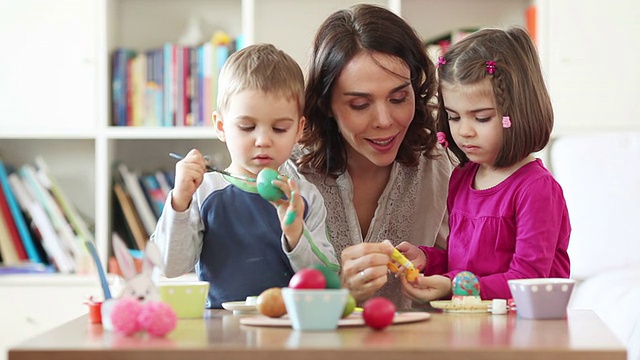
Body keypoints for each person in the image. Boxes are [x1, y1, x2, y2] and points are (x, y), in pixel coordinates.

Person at [290, 4, 453, 309]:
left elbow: (477, 284)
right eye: (360, 104)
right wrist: (340, 294)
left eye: (398, 98)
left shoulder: (441, 169)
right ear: (326, 104)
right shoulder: (291, 177)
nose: (384, 120)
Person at [151, 43, 339, 308]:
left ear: (299, 129)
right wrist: (179, 202)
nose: (263, 140)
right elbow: (171, 266)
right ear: (220, 126)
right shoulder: (204, 190)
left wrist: (296, 235)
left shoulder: (304, 196)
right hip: (220, 332)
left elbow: (328, 277)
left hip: (288, 329)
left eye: (280, 128)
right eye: (247, 127)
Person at [397, 27, 571, 303]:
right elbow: (465, 265)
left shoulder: (536, 189)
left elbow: (527, 280)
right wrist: (427, 260)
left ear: (516, 113)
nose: (465, 131)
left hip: (525, 330)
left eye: (481, 118)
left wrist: (452, 285)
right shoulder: (462, 177)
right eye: (454, 117)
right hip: (471, 324)